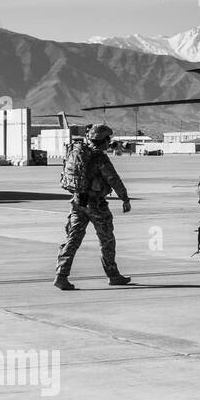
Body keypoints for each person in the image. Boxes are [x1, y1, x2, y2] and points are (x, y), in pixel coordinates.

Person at [55, 123, 133, 290]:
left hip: (78, 201)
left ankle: (61, 275)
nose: (109, 142)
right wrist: (125, 198)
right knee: (107, 240)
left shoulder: (79, 153)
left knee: (73, 239)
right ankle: (113, 275)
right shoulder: (99, 157)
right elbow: (113, 179)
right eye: (108, 139)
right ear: (103, 139)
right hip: (95, 204)